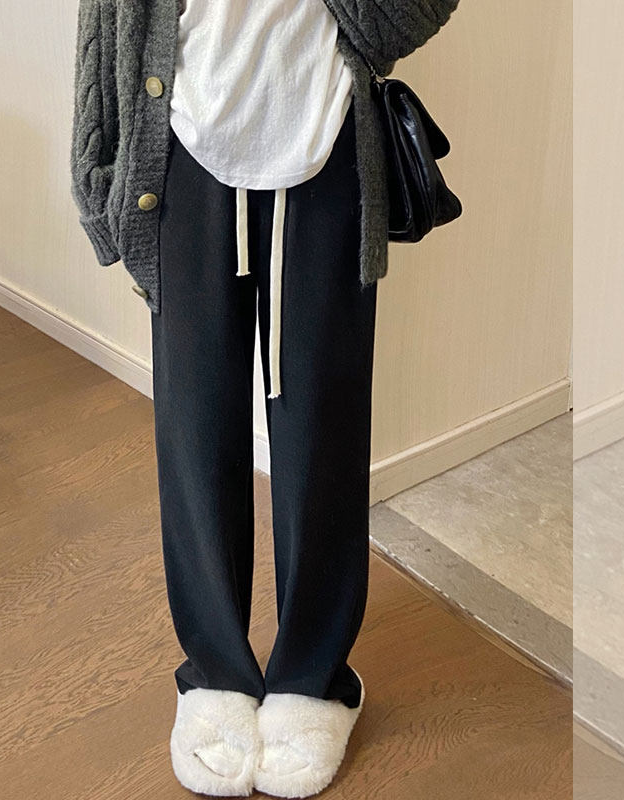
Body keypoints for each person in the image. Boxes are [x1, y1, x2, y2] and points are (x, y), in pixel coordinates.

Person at [71, 1, 460, 796]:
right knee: (195, 428)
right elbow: (106, 18)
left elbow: (411, 15)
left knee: (322, 430)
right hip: (178, 149)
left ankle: (314, 680)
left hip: (326, 143)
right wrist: (96, 174)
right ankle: (215, 673)